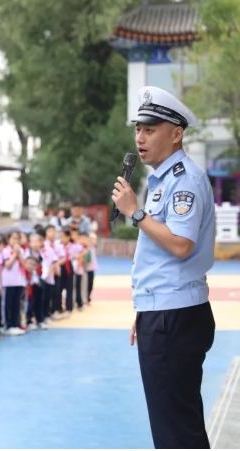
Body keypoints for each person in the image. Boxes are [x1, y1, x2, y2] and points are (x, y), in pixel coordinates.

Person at [112, 85, 215, 449]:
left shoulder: (184, 180)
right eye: (138, 129)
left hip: (176, 317)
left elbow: (181, 245)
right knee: (173, 423)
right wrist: (146, 308)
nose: (140, 137)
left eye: (150, 129)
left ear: (176, 134)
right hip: (165, 311)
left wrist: (135, 212)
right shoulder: (162, 181)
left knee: (176, 432)